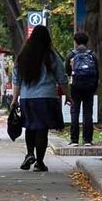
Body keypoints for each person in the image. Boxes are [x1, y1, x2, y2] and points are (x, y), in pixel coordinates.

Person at [10, 26, 67, 171]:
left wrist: (14, 99)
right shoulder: (51, 55)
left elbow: (16, 79)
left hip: (27, 98)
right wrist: (69, 95)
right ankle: (39, 162)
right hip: (46, 97)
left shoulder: (23, 56)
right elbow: (62, 77)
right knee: (42, 129)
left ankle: (30, 153)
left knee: (30, 126)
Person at [66, 30, 98, 145]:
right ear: (86, 41)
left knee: (75, 112)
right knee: (88, 112)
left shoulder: (71, 55)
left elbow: (68, 72)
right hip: (89, 87)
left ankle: (74, 139)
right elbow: (97, 72)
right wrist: (94, 86)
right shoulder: (92, 55)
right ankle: (87, 140)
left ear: (75, 41)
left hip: (75, 87)